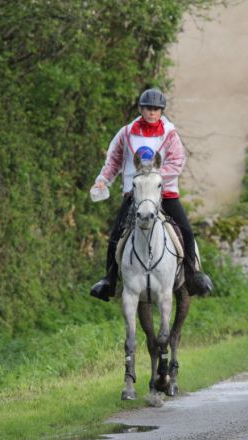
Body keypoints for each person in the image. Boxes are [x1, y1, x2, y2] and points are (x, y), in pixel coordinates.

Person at [89, 88, 213, 301]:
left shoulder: (169, 134)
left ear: (161, 111)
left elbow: (177, 162)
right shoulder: (127, 132)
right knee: (115, 236)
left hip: (165, 193)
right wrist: (103, 179)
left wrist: (154, 176)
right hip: (134, 195)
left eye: (156, 109)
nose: (152, 112)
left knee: (186, 231)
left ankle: (193, 276)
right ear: (141, 109)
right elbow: (114, 160)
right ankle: (108, 281)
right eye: (148, 108)